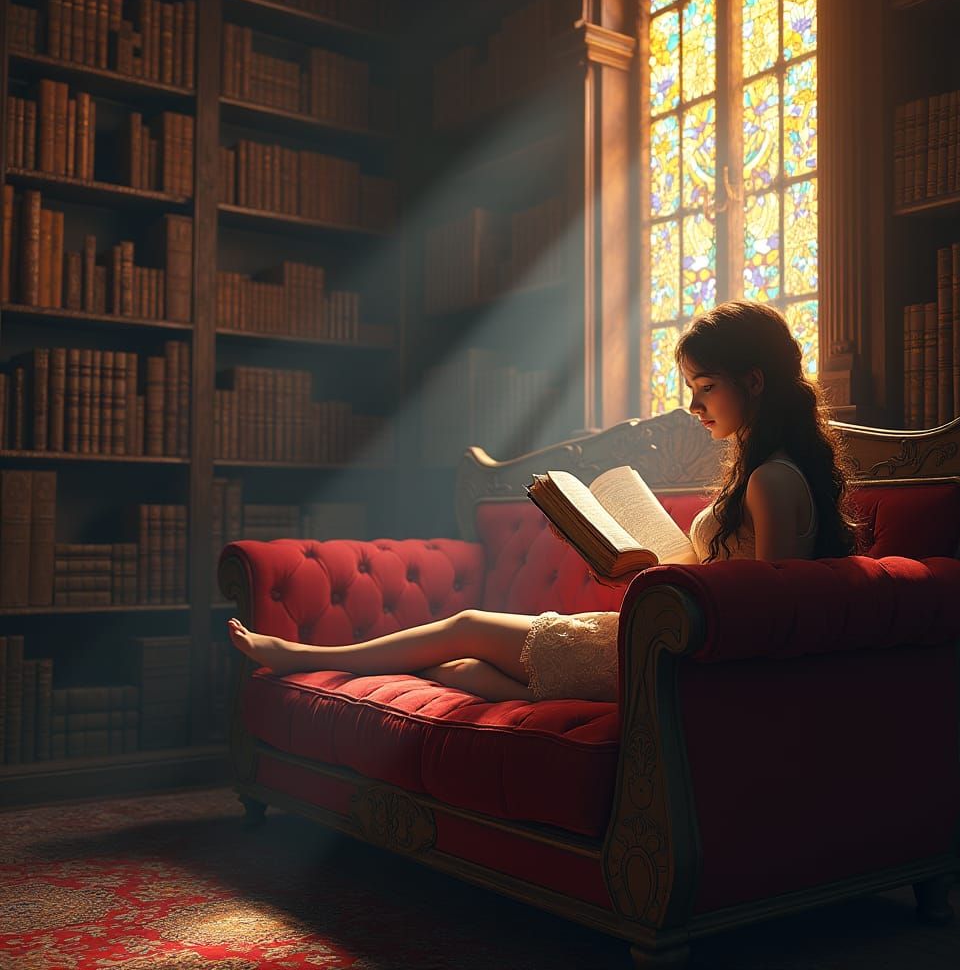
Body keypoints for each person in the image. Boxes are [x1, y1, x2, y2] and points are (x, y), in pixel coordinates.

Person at [227, 301, 858, 703]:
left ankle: (304, 658)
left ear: (754, 381)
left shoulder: (773, 480)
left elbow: (768, 615)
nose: (693, 408)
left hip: (678, 660)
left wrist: (662, 580)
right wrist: (656, 576)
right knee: (459, 670)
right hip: (659, 638)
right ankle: (525, 696)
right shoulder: (763, 469)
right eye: (691, 389)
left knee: (466, 631)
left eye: (707, 389)